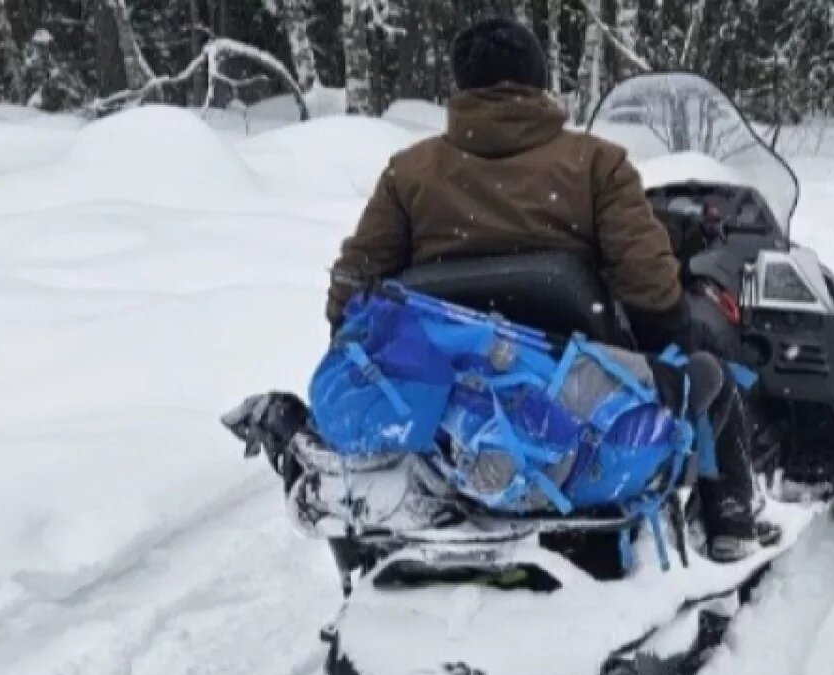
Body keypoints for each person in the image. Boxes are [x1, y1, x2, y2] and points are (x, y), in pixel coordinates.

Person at [325, 17, 775, 562]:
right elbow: (647, 281)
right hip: (582, 402)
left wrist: (350, 339)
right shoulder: (594, 163)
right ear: (539, 82)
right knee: (711, 373)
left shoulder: (411, 172)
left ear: (460, 86)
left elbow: (355, 287)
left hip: (454, 403)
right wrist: (666, 344)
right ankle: (729, 525)